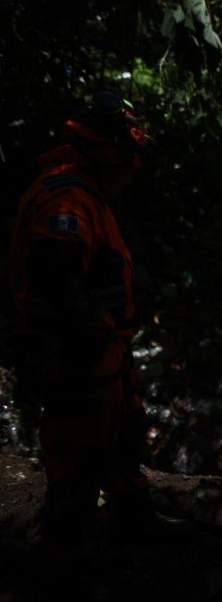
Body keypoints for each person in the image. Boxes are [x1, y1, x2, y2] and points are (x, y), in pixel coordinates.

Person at [8, 90, 159, 551]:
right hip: (78, 358)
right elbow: (56, 272)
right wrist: (93, 333)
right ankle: (64, 569)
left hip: (96, 356)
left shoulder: (76, 193)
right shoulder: (69, 198)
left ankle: (133, 530)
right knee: (78, 464)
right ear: (112, 154)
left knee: (120, 445)